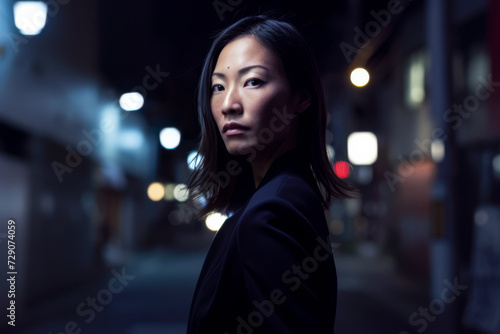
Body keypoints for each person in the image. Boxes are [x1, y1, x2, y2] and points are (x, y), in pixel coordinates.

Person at [186, 15, 357, 333]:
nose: (228, 104)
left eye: (253, 81)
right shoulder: (289, 195)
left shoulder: (272, 211)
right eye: (218, 86)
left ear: (301, 97)